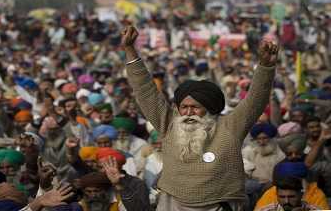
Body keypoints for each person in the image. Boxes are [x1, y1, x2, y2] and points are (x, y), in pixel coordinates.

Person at [121, 26, 279, 210]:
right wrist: (130, 50)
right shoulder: (169, 123)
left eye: (195, 108)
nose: (188, 113)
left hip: (220, 204)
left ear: (209, 108)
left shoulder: (229, 126)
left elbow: (255, 101)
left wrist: (266, 67)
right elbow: (145, 91)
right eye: (184, 107)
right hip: (173, 204)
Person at [254, 161, 329, 210]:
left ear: (301, 194)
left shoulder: (316, 196)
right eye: (282, 197)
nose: (286, 201)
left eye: (291, 197)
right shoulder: (268, 207)